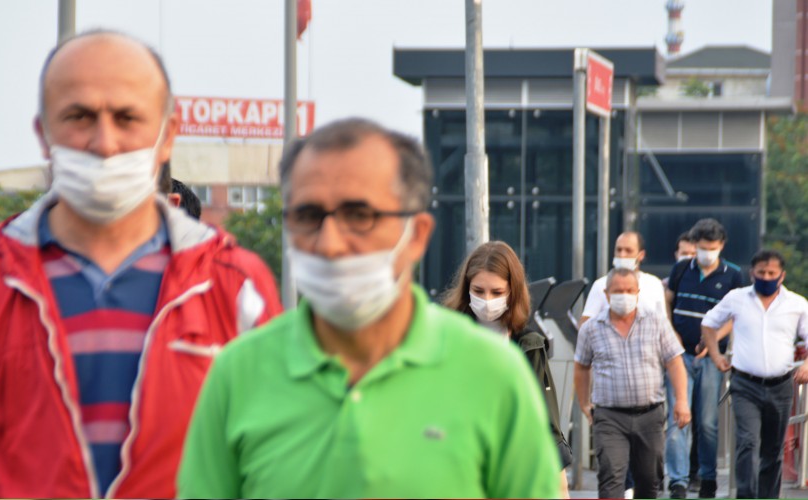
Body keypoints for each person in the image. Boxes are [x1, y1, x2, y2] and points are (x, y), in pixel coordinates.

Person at [0, 31, 282, 498]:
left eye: (127, 118)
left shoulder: (233, 286)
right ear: (43, 134)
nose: (104, 143)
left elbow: (277, 467)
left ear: (167, 135)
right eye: (79, 117)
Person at [177, 118, 560, 498]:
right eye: (308, 216)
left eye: (359, 216)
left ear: (417, 236)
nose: (330, 243)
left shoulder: (496, 374)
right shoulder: (237, 374)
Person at [441, 240, 572, 498]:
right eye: (478, 290)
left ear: (512, 292)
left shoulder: (529, 344)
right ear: (466, 288)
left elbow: (545, 420)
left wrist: (560, 483)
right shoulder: (447, 336)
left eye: (496, 292)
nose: (486, 300)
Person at [574, 268, 691, 499]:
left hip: (649, 414)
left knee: (649, 479)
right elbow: (581, 367)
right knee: (610, 478)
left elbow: (675, 362)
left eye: (629, 290)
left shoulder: (656, 322)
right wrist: (584, 404)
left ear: (637, 292)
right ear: (607, 294)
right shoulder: (591, 328)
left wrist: (682, 401)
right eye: (618, 291)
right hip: (609, 416)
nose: (624, 296)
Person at [702, 249, 808, 498]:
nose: (766, 277)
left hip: (781, 384)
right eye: (762, 272)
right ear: (753, 273)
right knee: (748, 442)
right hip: (745, 383)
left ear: (781, 276)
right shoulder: (736, 298)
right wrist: (716, 356)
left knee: (773, 449)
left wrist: (806, 365)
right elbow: (709, 323)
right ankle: (746, 495)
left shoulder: (796, 304)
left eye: (772, 273)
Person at [665, 218, 746, 499]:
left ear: (721, 246)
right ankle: (678, 480)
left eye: (711, 248)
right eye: (701, 247)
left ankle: (708, 477)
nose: (705, 253)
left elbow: (734, 317)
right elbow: (668, 301)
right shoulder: (680, 269)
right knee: (678, 416)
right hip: (679, 354)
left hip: (711, 357)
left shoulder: (733, 275)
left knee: (708, 421)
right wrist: (672, 335)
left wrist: (711, 345)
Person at [580, 231, 666, 325]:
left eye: (628, 250)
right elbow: (585, 324)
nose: (622, 255)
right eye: (619, 250)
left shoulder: (654, 284)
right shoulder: (600, 284)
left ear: (641, 255)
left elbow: (663, 322)